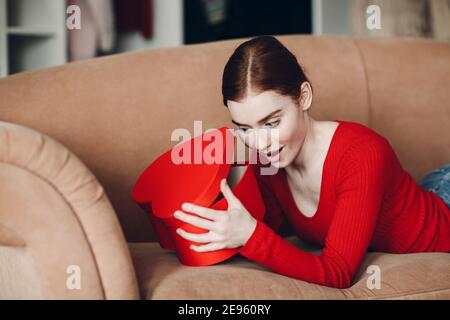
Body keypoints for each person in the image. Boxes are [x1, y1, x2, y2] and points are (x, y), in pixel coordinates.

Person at [173, 35, 450, 289]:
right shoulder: (267, 160)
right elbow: (268, 228)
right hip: (427, 188)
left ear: (303, 97)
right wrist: (214, 177)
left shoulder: (363, 154)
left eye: (271, 122)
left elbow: (336, 273)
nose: (259, 143)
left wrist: (250, 235)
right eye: (245, 129)